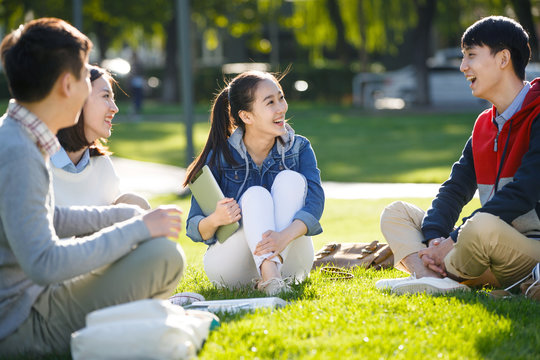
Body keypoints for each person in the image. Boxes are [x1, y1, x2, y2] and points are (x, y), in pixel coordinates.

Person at [0, 18, 185, 356]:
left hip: (28, 306)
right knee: (164, 256)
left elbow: (45, 217)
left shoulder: (16, 136)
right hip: (21, 323)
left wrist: (121, 217)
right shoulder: (17, 151)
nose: (91, 84)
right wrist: (137, 229)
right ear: (67, 85)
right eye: (87, 75)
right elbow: (44, 263)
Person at [377, 16, 540, 295]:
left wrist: (452, 240)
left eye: (471, 56)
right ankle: (437, 277)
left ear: (503, 59)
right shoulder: (484, 126)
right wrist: (434, 239)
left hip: (527, 250)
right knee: (396, 213)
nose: (463, 67)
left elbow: (523, 192)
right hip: (482, 250)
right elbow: (453, 190)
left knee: (481, 225)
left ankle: (432, 275)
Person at [184, 70, 325, 296]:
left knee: (291, 180)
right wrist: (216, 219)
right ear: (247, 116)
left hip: (290, 263)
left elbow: (315, 203)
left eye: (281, 98)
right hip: (232, 268)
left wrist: (283, 237)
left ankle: (272, 276)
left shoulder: (299, 148)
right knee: (256, 194)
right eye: (270, 102)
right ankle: (270, 277)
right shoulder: (219, 158)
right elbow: (194, 226)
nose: (281, 108)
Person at [51, 65, 150, 209]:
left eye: (113, 98)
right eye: (106, 96)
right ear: (78, 101)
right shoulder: (38, 163)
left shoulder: (103, 166)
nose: (115, 108)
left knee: (137, 203)